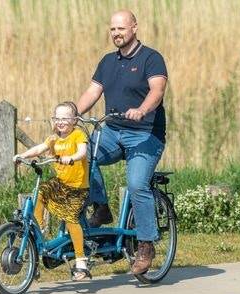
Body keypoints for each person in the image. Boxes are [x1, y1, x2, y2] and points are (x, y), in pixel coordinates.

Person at [75, 9, 168, 275]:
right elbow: (93, 91)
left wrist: (142, 109)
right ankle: (101, 207)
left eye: (121, 29)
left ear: (134, 28)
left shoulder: (151, 58)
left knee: (137, 184)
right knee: (83, 154)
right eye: (113, 29)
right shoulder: (107, 61)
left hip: (145, 133)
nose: (116, 34)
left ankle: (146, 244)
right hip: (113, 131)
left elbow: (157, 90)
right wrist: (72, 113)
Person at [13, 101, 91, 281]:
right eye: (57, 118)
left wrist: (71, 158)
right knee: (41, 192)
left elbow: (82, 152)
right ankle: (38, 232)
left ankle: (81, 260)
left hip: (77, 187)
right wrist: (22, 156)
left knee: (70, 218)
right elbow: (40, 148)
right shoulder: (54, 139)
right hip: (61, 183)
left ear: (74, 120)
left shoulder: (77, 135)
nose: (61, 122)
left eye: (65, 118)